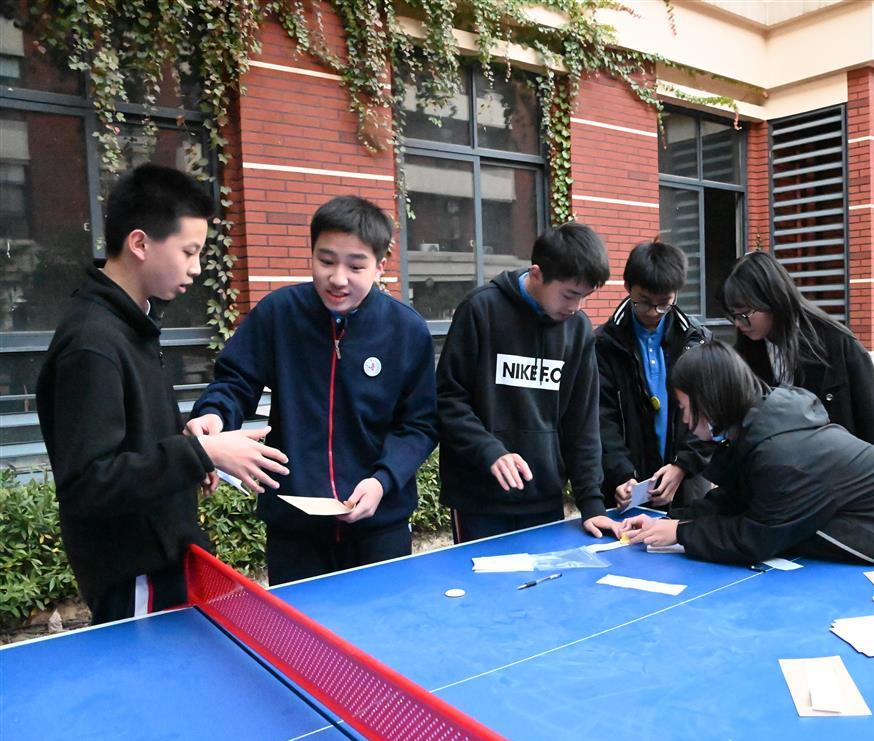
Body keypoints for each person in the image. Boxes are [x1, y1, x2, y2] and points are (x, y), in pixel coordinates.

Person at [36, 163, 290, 623]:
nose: (196, 268)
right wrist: (200, 454)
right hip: (136, 572)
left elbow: (138, 441)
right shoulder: (92, 343)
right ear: (140, 243)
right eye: (189, 251)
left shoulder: (134, 323)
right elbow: (89, 485)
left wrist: (192, 451)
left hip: (164, 558)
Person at [188, 196, 436, 585]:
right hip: (295, 528)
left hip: (379, 526)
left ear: (380, 266)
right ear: (312, 254)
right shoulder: (278, 314)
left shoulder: (406, 330)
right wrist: (214, 414)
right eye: (326, 261)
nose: (338, 278)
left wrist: (383, 481)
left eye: (356, 266)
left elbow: (420, 424)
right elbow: (235, 381)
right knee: (297, 625)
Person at [619, 341, 874, 570]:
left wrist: (680, 533)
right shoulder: (760, 427)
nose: (683, 419)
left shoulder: (782, 454)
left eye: (684, 407)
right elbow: (740, 498)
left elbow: (758, 536)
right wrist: (669, 521)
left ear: (710, 400)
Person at [437, 221, 622, 542]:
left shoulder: (578, 329)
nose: (575, 307)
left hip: (543, 498)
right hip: (478, 500)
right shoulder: (480, 309)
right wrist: (489, 451)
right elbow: (447, 399)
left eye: (584, 297)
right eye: (569, 295)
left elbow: (581, 423)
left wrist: (592, 503)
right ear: (537, 274)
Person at [724, 251, 874, 453]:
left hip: (834, 466)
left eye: (744, 314)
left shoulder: (838, 345)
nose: (738, 323)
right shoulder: (743, 355)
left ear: (773, 299)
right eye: (733, 315)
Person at [595, 241, 711, 510]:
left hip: (687, 485)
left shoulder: (697, 340)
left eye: (664, 304)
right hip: (628, 488)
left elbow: (710, 412)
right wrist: (622, 474)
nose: (653, 313)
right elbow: (602, 419)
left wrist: (683, 465)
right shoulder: (603, 344)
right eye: (644, 302)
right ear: (628, 287)